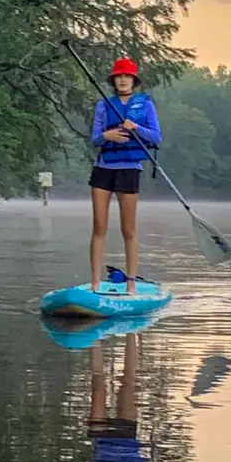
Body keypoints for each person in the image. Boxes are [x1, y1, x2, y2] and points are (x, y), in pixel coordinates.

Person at [89, 57, 162, 293]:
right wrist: (106, 136)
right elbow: (95, 139)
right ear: (114, 80)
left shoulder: (146, 104)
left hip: (129, 169)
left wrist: (136, 128)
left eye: (126, 76)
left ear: (133, 80)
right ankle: (95, 282)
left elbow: (157, 137)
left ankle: (131, 284)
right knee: (99, 227)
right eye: (119, 76)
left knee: (128, 230)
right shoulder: (104, 105)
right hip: (104, 168)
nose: (122, 80)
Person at [87, 335, 158, 462]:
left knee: (98, 388)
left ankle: (95, 334)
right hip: (128, 443)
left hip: (102, 443)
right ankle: (132, 331)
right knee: (128, 384)